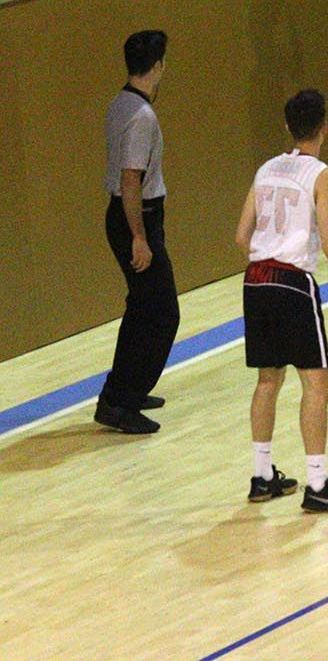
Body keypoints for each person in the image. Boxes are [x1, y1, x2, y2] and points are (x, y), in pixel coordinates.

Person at [234, 89, 328, 512]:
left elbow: (242, 237)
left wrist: (266, 261)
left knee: (267, 380)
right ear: (324, 128)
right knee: (317, 383)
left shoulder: (266, 170)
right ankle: (317, 485)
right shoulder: (322, 175)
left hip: (255, 279)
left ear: (288, 127)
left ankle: (262, 476)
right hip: (293, 282)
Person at [95, 29, 177, 434]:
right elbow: (131, 179)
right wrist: (140, 237)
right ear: (158, 65)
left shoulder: (119, 102)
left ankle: (122, 390)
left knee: (142, 307)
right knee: (163, 313)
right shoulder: (141, 115)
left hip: (126, 215)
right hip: (135, 217)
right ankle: (121, 402)